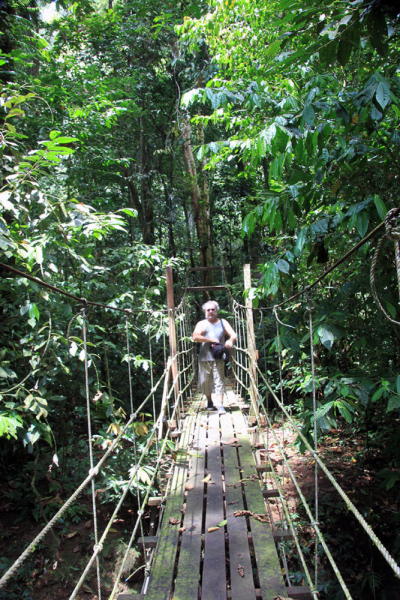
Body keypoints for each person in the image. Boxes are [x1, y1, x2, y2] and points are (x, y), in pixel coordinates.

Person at [192, 300, 237, 415]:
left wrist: (230, 340)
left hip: (218, 356)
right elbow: (195, 337)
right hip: (204, 357)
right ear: (205, 312)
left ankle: (220, 405)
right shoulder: (202, 324)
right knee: (205, 382)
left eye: (213, 309)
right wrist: (211, 340)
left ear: (216, 310)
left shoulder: (223, 322)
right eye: (208, 310)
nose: (211, 312)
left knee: (219, 380)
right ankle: (209, 401)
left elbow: (233, 334)